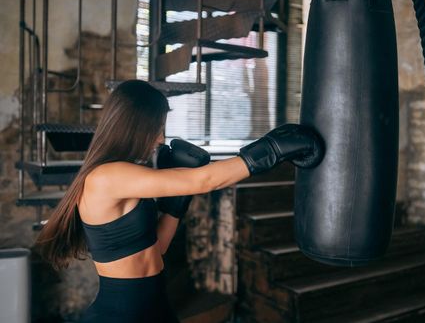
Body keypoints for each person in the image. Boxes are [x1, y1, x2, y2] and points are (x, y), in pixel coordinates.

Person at [35, 79, 324, 322]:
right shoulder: (107, 176)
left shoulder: (125, 175)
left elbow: (156, 250)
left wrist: (176, 202)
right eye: (157, 127)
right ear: (135, 125)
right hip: (122, 313)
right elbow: (205, 179)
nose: (161, 138)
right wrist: (271, 149)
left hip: (155, 304)